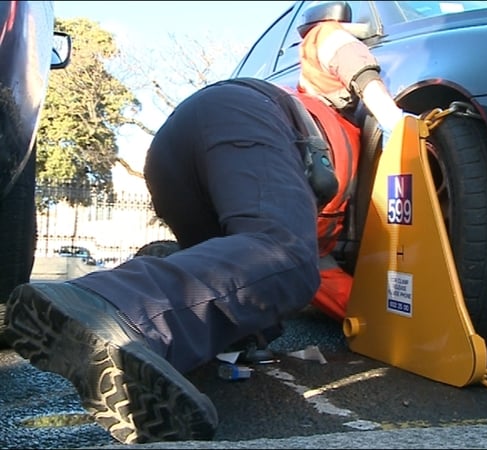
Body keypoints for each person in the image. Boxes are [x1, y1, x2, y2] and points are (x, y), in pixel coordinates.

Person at [3, 78, 323, 444]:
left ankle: (153, 320)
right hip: (241, 119)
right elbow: (343, 51)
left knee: (255, 300)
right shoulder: (370, 125)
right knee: (286, 254)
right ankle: (118, 305)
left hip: (176, 152)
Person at [295, 2, 407, 322]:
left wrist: (378, 322)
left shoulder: (338, 126)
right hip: (295, 238)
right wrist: (390, 115)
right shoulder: (324, 35)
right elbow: (342, 50)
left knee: (305, 263)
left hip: (308, 248)